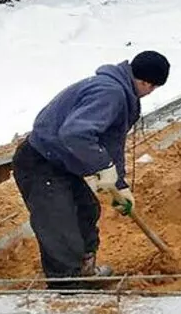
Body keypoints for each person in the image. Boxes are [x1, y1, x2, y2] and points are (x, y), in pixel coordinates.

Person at [12, 51, 171, 289]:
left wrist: (119, 184)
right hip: (40, 162)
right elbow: (74, 134)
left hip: (61, 162)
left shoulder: (122, 93)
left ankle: (85, 270)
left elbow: (112, 143)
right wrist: (102, 165)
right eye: (153, 87)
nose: (151, 92)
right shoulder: (110, 93)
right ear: (147, 83)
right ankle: (67, 286)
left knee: (85, 209)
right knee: (60, 223)